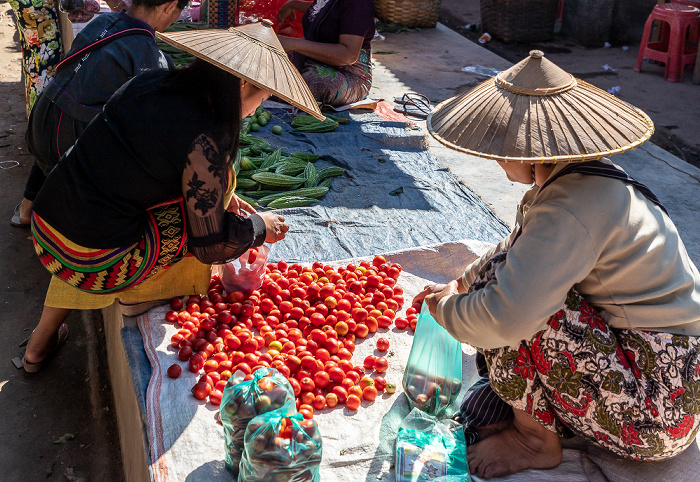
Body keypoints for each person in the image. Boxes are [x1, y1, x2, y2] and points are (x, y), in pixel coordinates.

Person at [415, 51, 700, 479]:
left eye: (502, 147)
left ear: (531, 148)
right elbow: (514, 247)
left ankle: (534, 441)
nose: (495, 157)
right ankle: (549, 419)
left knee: (511, 296)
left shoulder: (570, 207)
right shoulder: (585, 180)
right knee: (501, 272)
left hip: (654, 413)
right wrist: (460, 281)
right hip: (672, 384)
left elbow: (506, 316)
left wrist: (446, 310)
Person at [22, 21, 323, 373]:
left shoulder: (150, 82)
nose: (260, 106)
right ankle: (139, 295)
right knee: (203, 220)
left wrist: (220, 195)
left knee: (132, 203)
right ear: (243, 83)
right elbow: (210, 245)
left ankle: (37, 346)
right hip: (93, 262)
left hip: (47, 229)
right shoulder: (206, 141)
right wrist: (259, 226)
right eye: (264, 95)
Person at [11, 0, 186, 227]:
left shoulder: (104, 21)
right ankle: (71, 221)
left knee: (68, 113)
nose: (176, 19)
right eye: (179, 11)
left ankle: (27, 207)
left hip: (41, 121)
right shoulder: (147, 53)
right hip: (70, 141)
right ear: (170, 5)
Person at [276, 0, 374, 107]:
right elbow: (327, 10)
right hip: (313, 60)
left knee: (310, 85)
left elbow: (348, 55)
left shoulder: (358, 3)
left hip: (349, 73)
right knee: (268, 67)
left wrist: (293, 43)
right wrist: (293, 4)